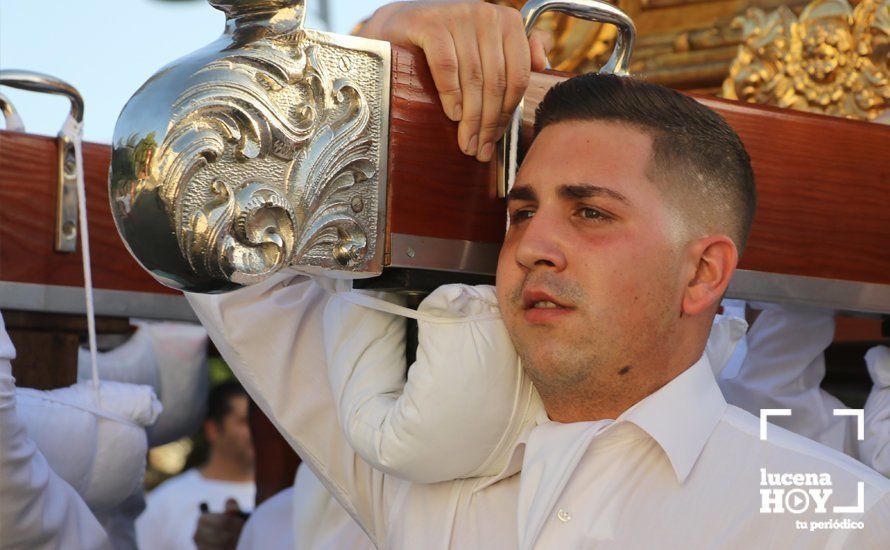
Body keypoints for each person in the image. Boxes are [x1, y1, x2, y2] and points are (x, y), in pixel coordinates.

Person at [185, 2, 890, 548]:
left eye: (590, 213)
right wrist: (373, 53)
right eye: (521, 213)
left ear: (703, 272)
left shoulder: (834, 516)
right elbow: (201, 205)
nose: (531, 246)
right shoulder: (416, 473)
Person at [137, 381, 255, 550]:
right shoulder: (165, 503)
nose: (258, 431)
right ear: (213, 429)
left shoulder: (286, 496)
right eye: (244, 421)